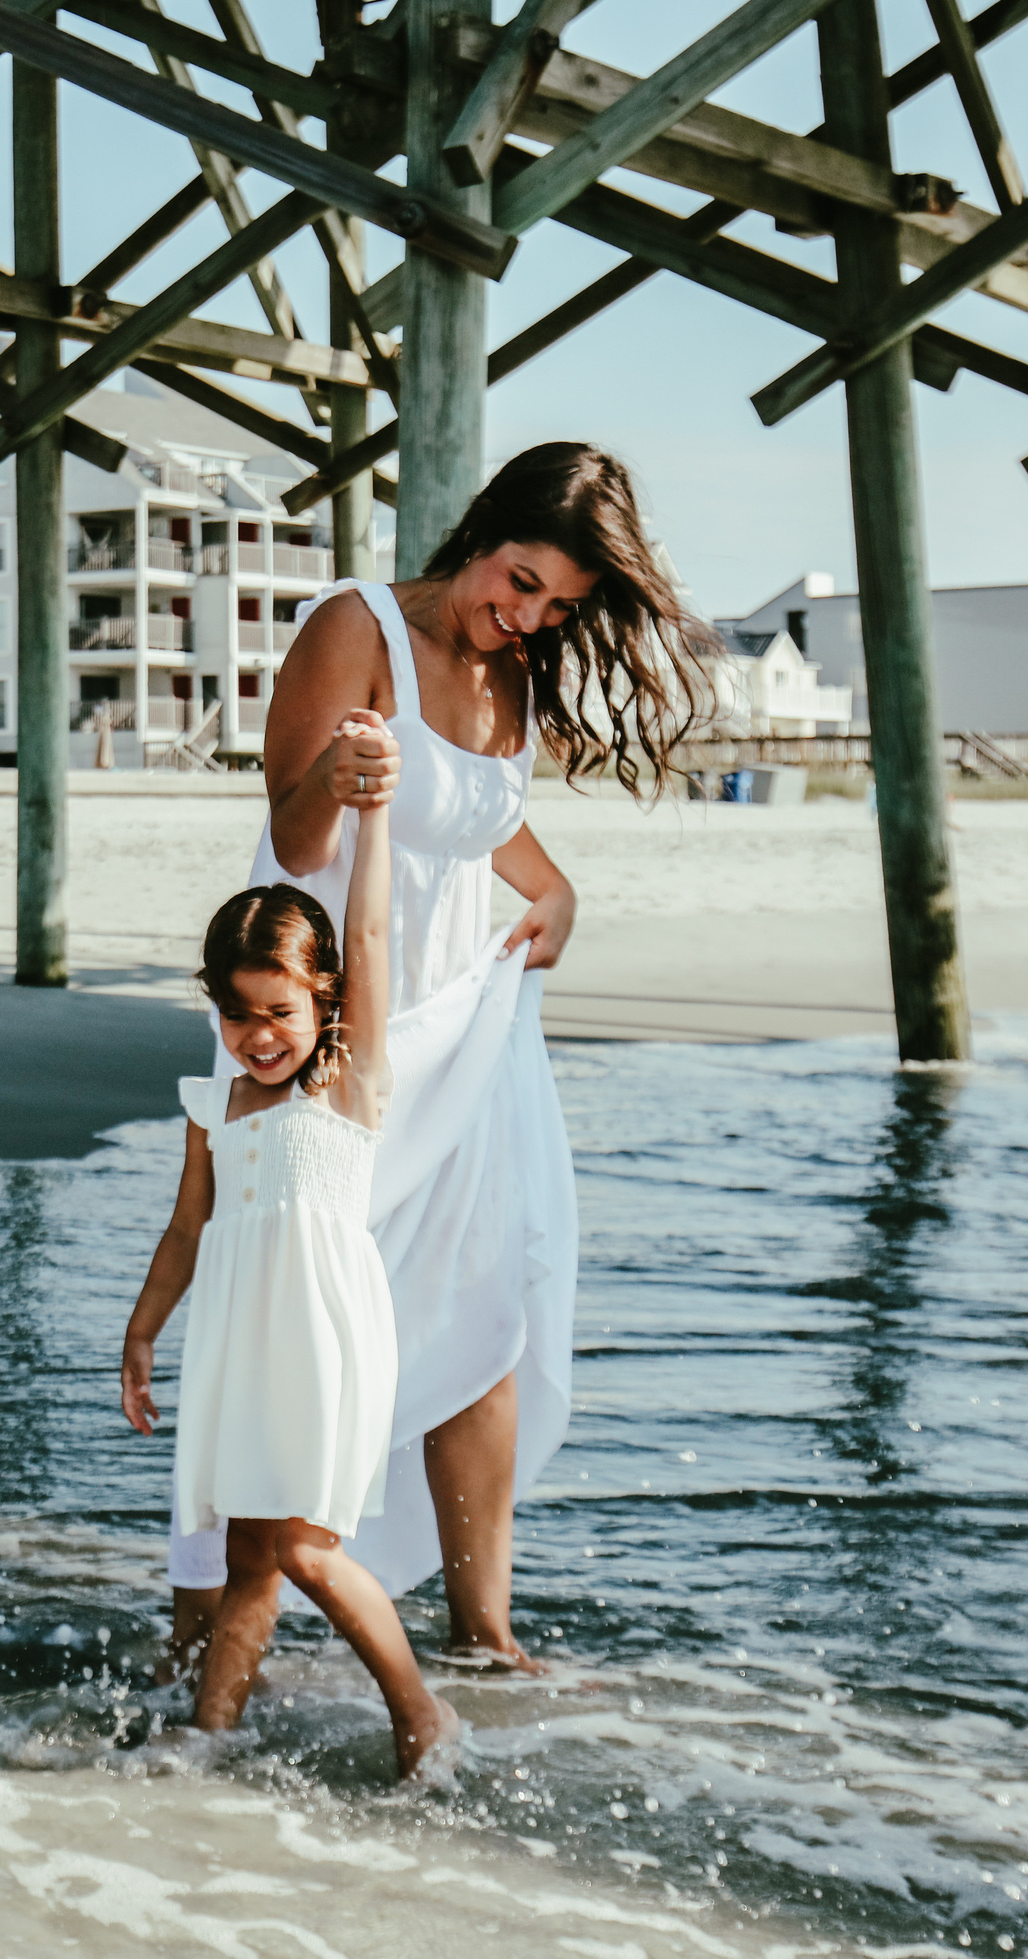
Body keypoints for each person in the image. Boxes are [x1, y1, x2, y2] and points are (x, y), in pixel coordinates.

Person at [157, 443, 714, 1673]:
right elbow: (293, 838)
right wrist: (336, 775)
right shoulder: (353, 624)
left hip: (471, 1025)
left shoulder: (510, 666)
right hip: (331, 1027)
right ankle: (198, 1631)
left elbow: (482, 821)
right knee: (269, 1322)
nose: (526, 617)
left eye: (557, 607)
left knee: (485, 1314)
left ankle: (480, 1630)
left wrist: (555, 893)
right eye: (517, 584)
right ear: (478, 537)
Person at [121, 719, 461, 1778]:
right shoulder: (213, 1102)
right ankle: (207, 1740)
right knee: (244, 1556)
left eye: (277, 1011)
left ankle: (419, 1712)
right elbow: (187, 1229)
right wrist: (140, 1336)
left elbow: (367, 944)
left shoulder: (347, 1086)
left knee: (306, 1549)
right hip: (237, 1340)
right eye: (234, 1014)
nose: (256, 1033)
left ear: (322, 1006)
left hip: (317, 1338)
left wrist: (367, 818)